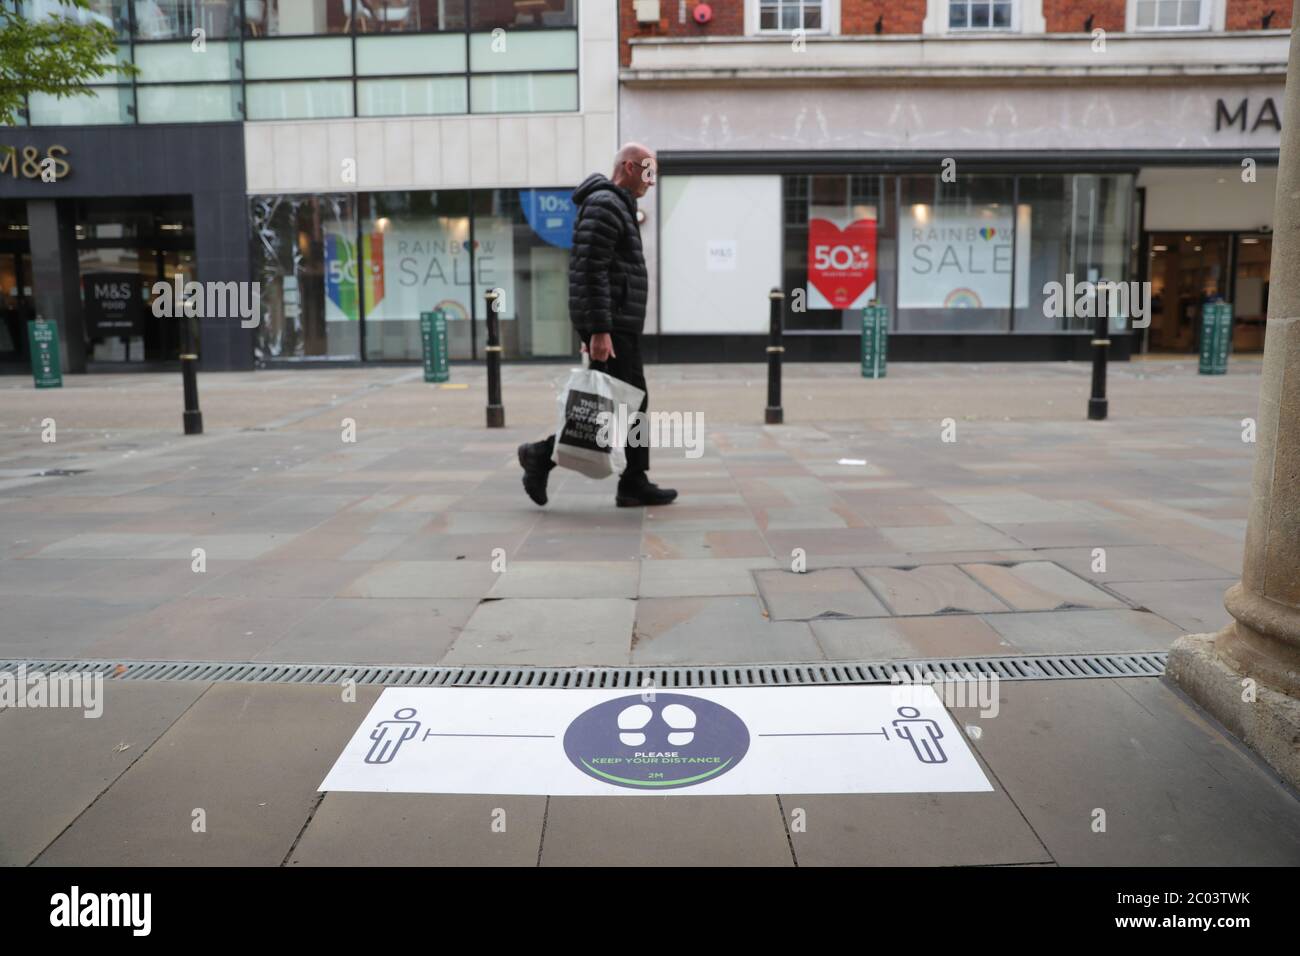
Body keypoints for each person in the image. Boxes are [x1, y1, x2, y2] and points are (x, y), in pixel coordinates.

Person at [518, 143, 678, 509]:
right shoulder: (606, 204)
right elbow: (590, 270)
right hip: (613, 325)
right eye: (649, 172)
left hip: (617, 323)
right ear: (629, 167)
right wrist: (598, 330)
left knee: (618, 404)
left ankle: (629, 479)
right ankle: (541, 456)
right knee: (619, 404)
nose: (652, 182)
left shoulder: (617, 205)